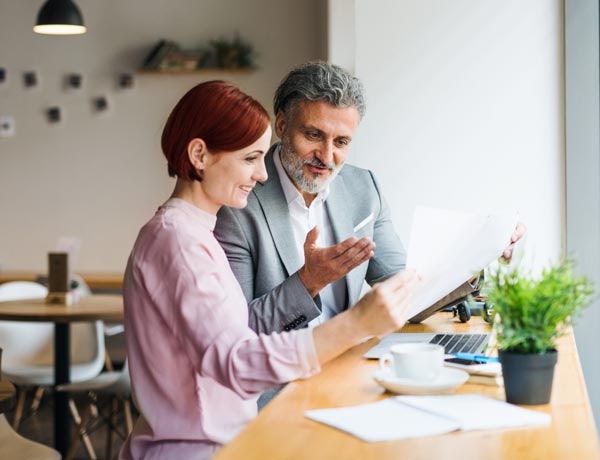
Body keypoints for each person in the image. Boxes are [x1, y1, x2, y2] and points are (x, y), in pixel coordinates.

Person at [120, 80, 418, 460]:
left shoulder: (192, 234)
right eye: (249, 159)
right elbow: (236, 362)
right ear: (199, 154)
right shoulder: (178, 243)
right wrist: (354, 325)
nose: (262, 175)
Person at [214, 61, 525, 339]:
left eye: (341, 142)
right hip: (276, 385)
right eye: (313, 135)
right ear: (281, 126)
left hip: (348, 365)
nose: (327, 156)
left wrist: (479, 253)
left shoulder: (363, 189)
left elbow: (408, 294)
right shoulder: (236, 202)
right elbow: (237, 332)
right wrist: (308, 282)